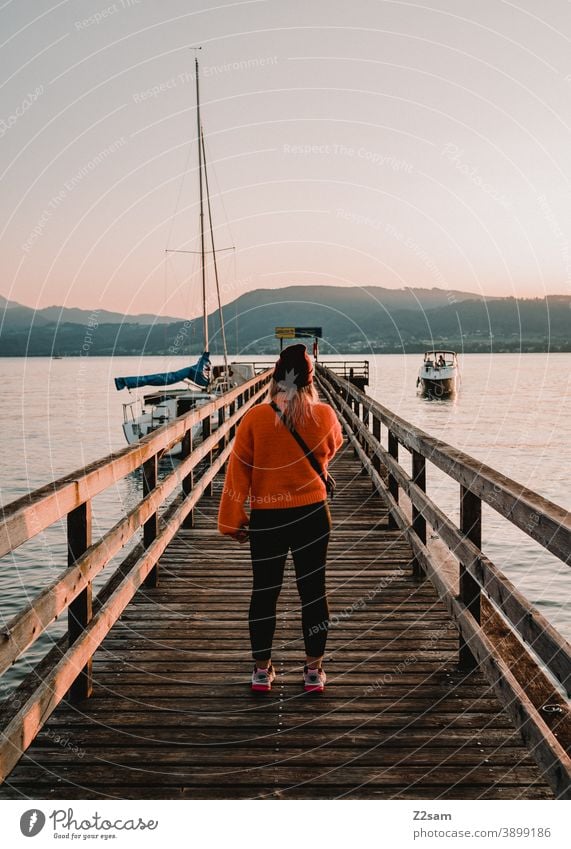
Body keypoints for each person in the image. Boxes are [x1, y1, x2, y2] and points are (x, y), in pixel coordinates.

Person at [218, 344, 343, 693]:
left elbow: (237, 470)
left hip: (267, 518)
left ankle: (261, 670)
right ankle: (313, 671)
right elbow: (332, 447)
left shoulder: (256, 418)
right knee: (313, 593)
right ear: (310, 382)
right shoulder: (324, 415)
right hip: (313, 515)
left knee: (264, 591)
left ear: (275, 380)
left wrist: (232, 516)